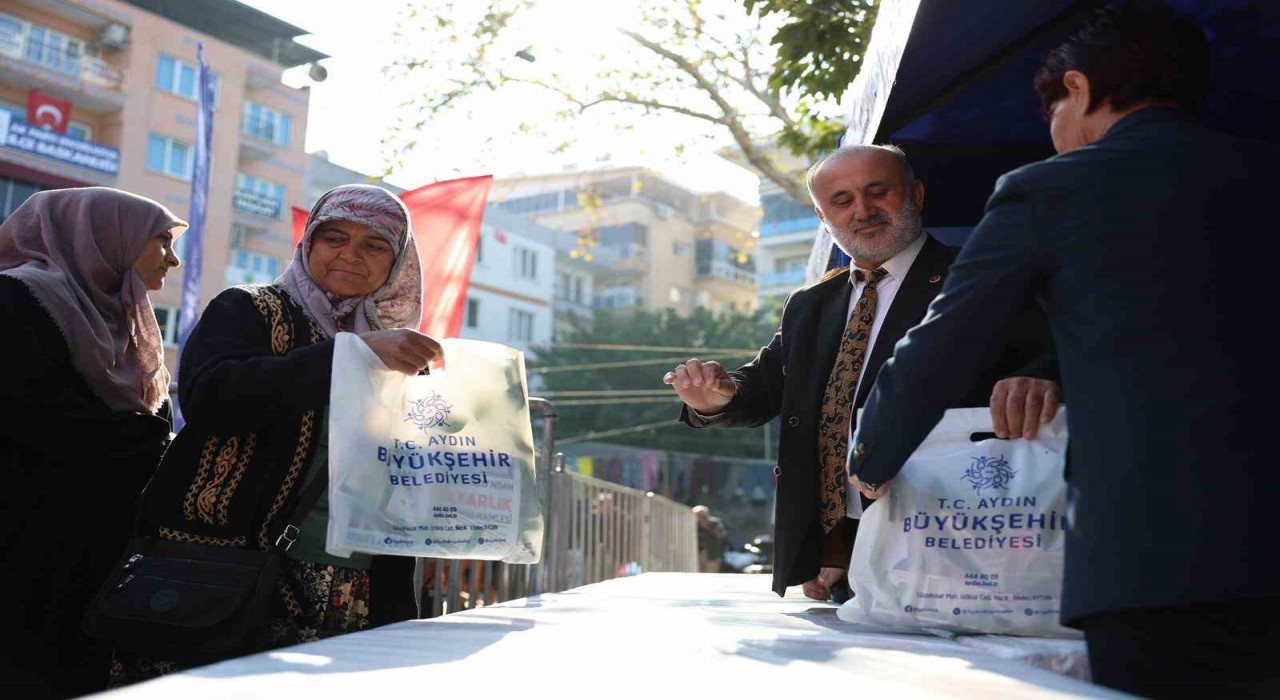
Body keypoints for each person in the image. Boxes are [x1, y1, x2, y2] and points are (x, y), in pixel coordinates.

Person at [848, 6, 1280, 697]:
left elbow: (943, 345)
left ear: (1076, 87)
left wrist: (869, 458)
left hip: (1152, 563)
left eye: (1052, 111)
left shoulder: (1050, 189)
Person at [664, 146, 1059, 602]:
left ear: (915, 194)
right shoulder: (811, 303)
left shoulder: (977, 279)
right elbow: (764, 388)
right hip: (837, 556)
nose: (863, 210)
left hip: (954, 543)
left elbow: (1054, 358)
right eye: (842, 200)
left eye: (878, 191)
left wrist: (1040, 376)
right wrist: (716, 398)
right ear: (822, 216)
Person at [111, 184, 441, 685]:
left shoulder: (402, 351)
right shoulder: (249, 309)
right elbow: (210, 399)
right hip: (227, 565)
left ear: (398, 262)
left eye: (375, 245)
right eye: (334, 238)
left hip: (353, 578)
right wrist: (347, 355)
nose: (350, 255)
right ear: (309, 244)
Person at [0, 188, 186, 698]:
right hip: (26, 548)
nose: (173, 259)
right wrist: (157, 441)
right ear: (106, 236)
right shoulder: (17, 299)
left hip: (98, 552)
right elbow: (39, 417)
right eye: (161, 241)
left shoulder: (121, 317)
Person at [693, 505, 727, 573]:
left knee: (711, 573)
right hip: (698, 553)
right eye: (698, 515)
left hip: (712, 553)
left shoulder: (715, 523)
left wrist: (708, 527)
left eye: (702, 515)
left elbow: (722, 535)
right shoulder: (693, 524)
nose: (700, 517)